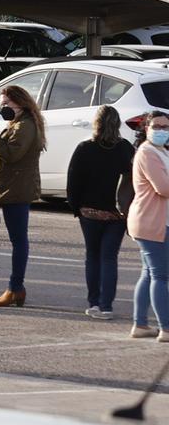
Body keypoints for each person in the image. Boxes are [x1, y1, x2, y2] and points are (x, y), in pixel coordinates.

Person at [69, 104, 136, 321]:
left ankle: (94, 303)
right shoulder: (125, 148)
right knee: (109, 258)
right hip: (117, 214)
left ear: (95, 123)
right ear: (117, 124)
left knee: (92, 256)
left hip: (89, 211)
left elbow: (74, 182)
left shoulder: (84, 148)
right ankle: (107, 306)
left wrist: (76, 208)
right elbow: (134, 181)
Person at [0, 82, 46, 307]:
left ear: (20, 103)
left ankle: (15, 287)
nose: (3, 108)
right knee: (18, 239)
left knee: (19, 241)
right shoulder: (20, 123)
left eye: (6, 103)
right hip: (15, 187)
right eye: (1, 104)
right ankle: (16, 287)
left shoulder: (25, 126)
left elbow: (11, 155)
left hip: (18, 190)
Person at [130, 113, 169, 339]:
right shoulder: (147, 153)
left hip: (157, 221)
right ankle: (165, 328)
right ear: (147, 128)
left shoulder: (161, 151)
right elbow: (163, 187)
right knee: (160, 276)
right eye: (157, 126)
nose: (162, 130)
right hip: (149, 221)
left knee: (149, 274)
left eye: (165, 126)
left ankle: (141, 325)